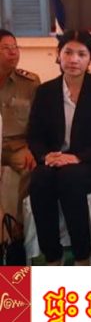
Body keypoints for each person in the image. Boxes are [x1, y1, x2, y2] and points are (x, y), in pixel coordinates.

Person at [27, 30, 91, 265]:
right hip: (56, 161)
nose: (73, 60)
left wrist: (77, 157)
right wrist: (45, 156)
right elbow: (34, 135)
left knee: (70, 177)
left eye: (81, 54)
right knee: (39, 178)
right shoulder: (45, 91)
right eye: (68, 52)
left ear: (90, 58)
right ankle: (53, 255)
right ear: (58, 55)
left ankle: (82, 255)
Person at [0, 29, 40, 215]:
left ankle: (18, 224)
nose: (13, 52)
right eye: (6, 48)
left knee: (32, 169)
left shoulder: (30, 82)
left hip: (18, 146)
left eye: (15, 47)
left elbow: (40, 120)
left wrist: (33, 148)